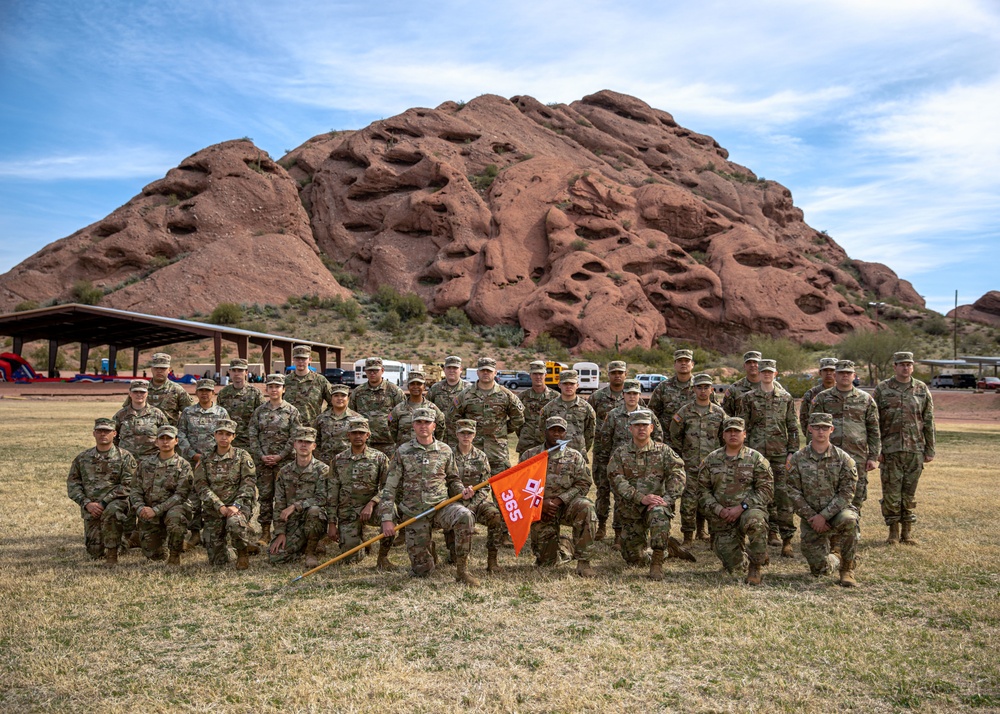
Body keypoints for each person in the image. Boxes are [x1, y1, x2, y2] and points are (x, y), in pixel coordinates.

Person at [379, 408, 480, 585]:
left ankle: (462, 570)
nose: (423, 426)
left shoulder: (445, 450)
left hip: (441, 507)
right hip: (414, 512)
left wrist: (462, 491)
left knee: (465, 515)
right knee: (422, 571)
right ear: (413, 426)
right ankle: (427, 548)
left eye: (427, 422)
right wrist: (387, 518)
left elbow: (453, 479)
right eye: (419, 422)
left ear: (434, 426)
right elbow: (389, 487)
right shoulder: (403, 451)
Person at [608, 411, 687, 580]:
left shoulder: (664, 451)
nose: (641, 428)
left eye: (645, 425)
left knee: (659, 515)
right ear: (630, 429)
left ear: (651, 428)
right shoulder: (620, 453)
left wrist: (666, 500)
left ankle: (657, 562)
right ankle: (669, 550)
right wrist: (640, 497)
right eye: (637, 425)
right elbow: (616, 479)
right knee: (634, 559)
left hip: (655, 506)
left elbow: (678, 475)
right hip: (631, 509)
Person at [698, 417, 774, 585]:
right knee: (734, 567)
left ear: (744, 434)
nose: (733, 434)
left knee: (756, 522)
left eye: (737, 431)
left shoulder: (756, 459)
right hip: (722, 516)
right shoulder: (711, 459)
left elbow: (766, 490)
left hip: (748, 510)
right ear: (723, 435)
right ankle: (754, 554)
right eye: (729, 431)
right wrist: (718, 509)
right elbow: (702, 491)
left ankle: (755, 566)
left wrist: (742, 507)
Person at [809, 360, 880, 541]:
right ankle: (829, 534)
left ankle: (851, 532)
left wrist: (873, 457)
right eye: (841, 373)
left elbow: (873, 429)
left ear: (854, 376)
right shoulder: (823, 398)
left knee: (856, 495)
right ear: (835, 375)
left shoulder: (865, 399)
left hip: (857, 456)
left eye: (848, 373)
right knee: (827, 493)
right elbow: (810, 426)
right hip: (827, 457)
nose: (845, 376)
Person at [786, 412, 859, 587]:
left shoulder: (843, 459)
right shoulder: (798, 458)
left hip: (836, 513)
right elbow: (792, 491)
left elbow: (847, 492)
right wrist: (813, 516)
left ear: (831, 429)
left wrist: (824, 516)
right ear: (809, 428)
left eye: (825, 428)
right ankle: (835, 558)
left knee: (850, 520)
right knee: (819, 569)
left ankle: (847, 569)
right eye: (817, 427)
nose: (821, 431)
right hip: (811, 517)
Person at [519, 416, 598, 577]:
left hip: (567, 506)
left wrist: (560, 500)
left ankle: (584, 562)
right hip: (540, 509)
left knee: (586, 507)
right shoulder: (530, 456)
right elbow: (520, 487)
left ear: (565, 434)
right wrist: (541, 504)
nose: (556, 434)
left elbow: (583, 483)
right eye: (552, 430)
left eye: (560, 431)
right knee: (546, 563)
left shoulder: (574, 456)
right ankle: (565, 545)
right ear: (544, 432)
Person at [737, 358, 800, 557]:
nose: (766, 374)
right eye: (763, 371)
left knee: (783, 497)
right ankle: (765, 536)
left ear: (775, 374)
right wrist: (743, 452)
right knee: (758, 495)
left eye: (770, 371)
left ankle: (787, 539)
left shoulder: (786, 398)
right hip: (756, 455)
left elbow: (793, 427)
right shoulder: (748, 398)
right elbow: (742, 427)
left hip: (780, 454)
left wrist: (792, 452)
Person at [873, 351, 935, 544]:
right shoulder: (883, 389)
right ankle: (892, 533)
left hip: (914, 449)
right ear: (895, 366)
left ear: (913, 366)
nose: (905, 367)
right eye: (901, 364)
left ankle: (907, 534)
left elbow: (928, 420)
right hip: (890, 450)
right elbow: (874, 422)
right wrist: (877, 450)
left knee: (909, 493)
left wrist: (930, 449)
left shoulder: (921, 389)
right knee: (891, 494)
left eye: (909, 364)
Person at [593, 380, 665, 547]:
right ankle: (616, 533)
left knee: (637, 498)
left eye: (635, 393)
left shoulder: (648, 415)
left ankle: (632, 533)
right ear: (623, 395)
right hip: (620, 464)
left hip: (643, 465)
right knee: (620, 498)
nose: (632, 396)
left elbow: (658, 437)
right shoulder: (613, 415)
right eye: (628, 393)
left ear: (639, 395)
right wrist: (603, 464)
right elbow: (604, 440)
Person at [67, 418, 138, 567]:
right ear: (94, 433)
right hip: (91, 508)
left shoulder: (125, 457)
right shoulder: (83, 458)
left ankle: (112, 555)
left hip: (115, 503)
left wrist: (104, 502)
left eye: (106, 431)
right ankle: (122, 540)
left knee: (112, 512)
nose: (103, 434)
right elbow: (73, 484)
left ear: (114, 433)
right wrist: (87, 504)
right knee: (95, 552)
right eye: (99, 431)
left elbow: (129, 484)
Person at [328, 417, 394, 568]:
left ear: (368, 435)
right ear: (348, 436)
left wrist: (372, 503)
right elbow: (332, 493)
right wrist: (332, 523)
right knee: (351, 559)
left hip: (371, 509)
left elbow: (388, 487)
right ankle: (360, 540)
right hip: (348, 511)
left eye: (361, 433)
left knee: (391, 512)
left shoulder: (379, 458)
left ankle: (382, 557)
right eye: (354, 433)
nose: (358, 436)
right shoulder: (338, 460)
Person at [668, 373, 725, 545]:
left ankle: (711, 535)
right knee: (688, 503)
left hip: (712, 467)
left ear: (711, 390)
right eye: (699, 387)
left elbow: (726, 437)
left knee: (713, 501)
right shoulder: (685, 411)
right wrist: (683, 453)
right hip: (690, 465)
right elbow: (674, 434)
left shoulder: (719, 413)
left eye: (706, 387)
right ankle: (688, 537)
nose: (702, 391)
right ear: (694, 389)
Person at [193, 419, 257, 569]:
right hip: (214, 509)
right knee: (217, 560)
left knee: (235, 523)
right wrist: (219, 505)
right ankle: (233, 551)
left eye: (228, 434)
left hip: (237, 507)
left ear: (233, 437)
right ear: (214, 435)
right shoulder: (206, 457)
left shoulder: (242, 456)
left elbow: (249, 483)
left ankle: (242, 553)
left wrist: (236, 505)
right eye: (220, 433)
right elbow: (201, 485)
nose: (224, 437)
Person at [248, 373, 301, 547]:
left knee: (285, 497)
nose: (273, 389)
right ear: (266, 389)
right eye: (270, 387)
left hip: (285, 463)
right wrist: (261, 455)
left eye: (277, 386)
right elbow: (253, 435)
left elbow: (295, 437)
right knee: (265, 497)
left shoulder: (292, 411)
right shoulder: (259, 411)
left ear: (283, 389)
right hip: (264, 462)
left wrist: (280, 456)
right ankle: (264, 532)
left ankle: (284, 530)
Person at [176, 378, 230, 551]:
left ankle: (213, 532)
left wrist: (214, 457)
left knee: (214, 494)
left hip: (215, 463)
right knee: (193, 496)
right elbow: (181, 435)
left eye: (208, 390)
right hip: (193, 461)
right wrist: (192, 455)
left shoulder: (221, 412)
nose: (205, 393)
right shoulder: (188, 412)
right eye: (201, 390)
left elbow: (226, 436)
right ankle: (195, 532)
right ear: (196, 393)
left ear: (213, 392)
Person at [449, 357, 525, 475]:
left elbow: (518, 418)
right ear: (477, 372)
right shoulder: (465, 395)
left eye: (489, 371)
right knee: (471, 489)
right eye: (483, 370)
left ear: (495, 373)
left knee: (501, 489)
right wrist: (466, 434)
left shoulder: (506, 394)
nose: (485, 373)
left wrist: (501, 430)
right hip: (471, 451)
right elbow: (453, 418)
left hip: (498, 451)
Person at [130, 425, 193, 566]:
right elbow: (135, 490)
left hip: (173, 508)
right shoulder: (145, 464)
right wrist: (140, 508)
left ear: (176, 441)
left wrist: (156, 510)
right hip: (149, 510)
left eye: (169, 438)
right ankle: (161, 543)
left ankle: (175, 554)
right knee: (153, 555)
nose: (165, 442)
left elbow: (181, 495)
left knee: (176, 518)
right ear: (156, 442)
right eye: (162, 438)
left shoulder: (183, 465)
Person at [268, 427, 330, 568]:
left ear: (314, 446)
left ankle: (310, 551)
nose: (303, 445)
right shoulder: (284, 472)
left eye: (308, 442)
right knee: (275, 557)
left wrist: (296, 506)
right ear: (294, 444)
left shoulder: (323, 470)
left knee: (314, 511)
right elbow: (279, 504)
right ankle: (302, 544)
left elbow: (323, 498)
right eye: (300, 441)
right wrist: (280, 533)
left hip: (314, 519)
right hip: (293, 522)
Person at [453, 419, 507, 573]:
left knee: (495, 515)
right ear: (456, 434)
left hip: (476, 502)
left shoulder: (481, 456)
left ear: (474, 435)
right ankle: (453, 556)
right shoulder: (449, 455)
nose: (465, 436)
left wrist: (473, 504)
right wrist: (459, 499)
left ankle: (492, 559)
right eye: (462, 433)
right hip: (454, 502)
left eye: (469, 433)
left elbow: (485, 486)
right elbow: (446, 482)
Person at [348, 357, 406, 457]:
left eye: (375, 370)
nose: (372, 373)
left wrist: (389, 419)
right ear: (365, 371)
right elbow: (351, 415)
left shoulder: (394, 391)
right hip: (364, 443)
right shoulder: (358, 392)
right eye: (369, 371)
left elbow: (403, 414)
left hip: (388, 443)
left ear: (382, 370)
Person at [650, 348, 719, 426]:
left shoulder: (703, 387)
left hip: (695, 435)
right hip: (668, 436)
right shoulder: (663, 387)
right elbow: (652, 414)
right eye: (680, 361)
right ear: (675, 365)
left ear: (692, 364)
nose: (683, 363)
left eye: (686, 361)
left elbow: (717, 412)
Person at [538, 369, 597, 457]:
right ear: (559, 385)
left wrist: (582, 449)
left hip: (578, 454)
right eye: (565, 384)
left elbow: (590, 433)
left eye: (572, 384)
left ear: (577, 385)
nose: (568, 386)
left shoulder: (586, 408)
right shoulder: (549, 407)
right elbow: (541, 430)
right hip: (554, 454)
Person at [388, 372, 446, 451]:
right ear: (408, 386)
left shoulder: (432, 409)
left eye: (419, 384)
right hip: (404, 453)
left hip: (426, 453)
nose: (415, 387)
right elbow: (392, 430)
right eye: (412, 384)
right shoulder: (398, 409)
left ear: (424, 387)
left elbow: (440, 429)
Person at [113, 379, 169, 460]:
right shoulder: (121, 414)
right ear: (130, 393)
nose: (139, 394)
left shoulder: (157, 413)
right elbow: (112, 436)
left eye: (142, 392)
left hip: (151, 460)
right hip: (126, 460)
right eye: (135, 392)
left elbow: (166, 435)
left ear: (147, 393)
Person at [217, 358, 265, 452]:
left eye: (240, 370)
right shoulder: (223, 393)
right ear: (229, 372)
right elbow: (219, 419)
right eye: (234, 370)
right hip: (228, 443)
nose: (236, 373)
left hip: (250, 443)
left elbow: (262, 418)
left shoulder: (255, 393)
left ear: (246, 372)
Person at [132, 352, 193, 426]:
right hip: (145, 434)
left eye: (163, 368)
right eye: (156, 368)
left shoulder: (177, 390)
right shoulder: (141, 389)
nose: (159, 371)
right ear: (151, 369)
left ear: (169, 369)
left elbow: (189, 414)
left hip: (168, 435)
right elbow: (128, 411)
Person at [515, 360, 557, 457]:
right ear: (530, 375)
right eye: (535, 374)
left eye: (540, 374)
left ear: (545, 375)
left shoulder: (555, 397)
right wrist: (525, 433)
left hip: (547, 445)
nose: (538, 377)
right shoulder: (522, 397)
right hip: (526, 445)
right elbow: (517, 421)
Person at [284, 345, 335, 424]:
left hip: (312, 431)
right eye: (297, 359)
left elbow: (334, 403)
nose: (300, 361)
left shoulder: (320, 380)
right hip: (289, 430)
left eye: (304, 359)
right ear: (293, 360)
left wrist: (323, 417)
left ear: (310, 360)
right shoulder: (285, 381)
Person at [313, 384, 362, 466]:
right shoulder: (321, 418)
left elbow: (364, 441)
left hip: (349, 463)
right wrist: (319, 458)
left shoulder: (357, 419)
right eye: (336, 395)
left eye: (343, 395)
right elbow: (315, 439)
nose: (339, 398)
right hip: (325, 463)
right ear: (331, 398)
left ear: (348, 398)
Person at [427, 356, 470, 447]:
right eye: (449, 368)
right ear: (444, 369)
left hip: (461, 439)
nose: (452, 370)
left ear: (461, 369)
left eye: (455, 368)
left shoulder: (468, 389)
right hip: (439, 439)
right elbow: (427, 408)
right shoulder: (435, 388)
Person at [799, 357, 839, 435]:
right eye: (825, 370)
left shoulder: (842, 393)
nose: (829, 373)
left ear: (836, 373)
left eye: (832, 370)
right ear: (820, 373)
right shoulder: (811, 394)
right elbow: (804, 419)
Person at [721, 351, 762, 417]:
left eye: (755, 362)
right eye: (749, 362)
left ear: (761, 365)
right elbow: (726, 414)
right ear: (744, 366)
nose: (752, 365)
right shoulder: (734, 389)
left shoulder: (771, 387)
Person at [588, 360, 628, 425]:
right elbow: (588, 419)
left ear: (625, 374)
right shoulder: (596, 396)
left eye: (620, 373)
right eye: (613, 373)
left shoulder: (632, 396)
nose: (617, 376)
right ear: (608, 374)